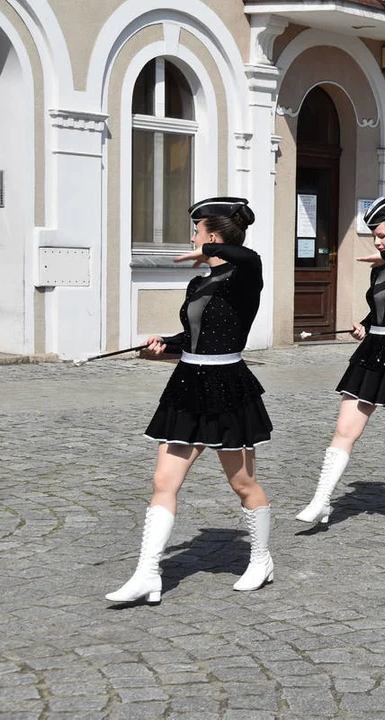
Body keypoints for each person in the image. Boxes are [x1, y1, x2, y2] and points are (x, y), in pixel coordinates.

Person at [106, 197, 274, 605]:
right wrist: (161, 346)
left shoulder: (245, 274)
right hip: (187, 386)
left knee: (243, 483)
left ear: (212, 236)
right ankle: (147, 574)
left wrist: (209, 249)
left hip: (228, 387)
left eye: (197, 231)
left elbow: (245, 253)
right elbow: (192, 339)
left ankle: (261, 558)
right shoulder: (198, 283)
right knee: (164, 482)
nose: (193, 238)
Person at [296, 195, 385, 528]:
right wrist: (365, 324)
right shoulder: (381, 268)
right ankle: (321, 500)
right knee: (344, 430)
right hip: (372, 353)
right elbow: (380, 311)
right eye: (374, 235)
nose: (376, 241)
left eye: (382, 235)